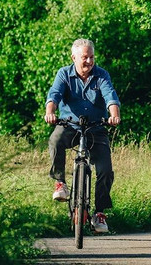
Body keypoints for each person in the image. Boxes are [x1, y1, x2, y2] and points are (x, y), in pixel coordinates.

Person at [44, 38, 121, 233]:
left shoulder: (101, 75)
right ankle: (60, 182)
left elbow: (110, 96)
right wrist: (50, 112)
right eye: (84, 57)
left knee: (105, 170)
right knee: (55, 140)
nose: (88, 61)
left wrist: (114, 115)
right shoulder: (64, 74)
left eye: (91, 57)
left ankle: (100, 213)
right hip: (70, 125)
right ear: (74, 57)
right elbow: (54, 95)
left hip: (96, 127)